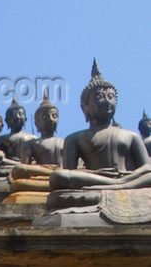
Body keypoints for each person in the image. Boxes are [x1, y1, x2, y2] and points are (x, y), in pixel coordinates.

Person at [50, 61, 151, 191]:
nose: (107, 101)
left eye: (111, 96)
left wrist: (123, 179)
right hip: (95, 178)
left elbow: (147, 168)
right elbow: (70, 173)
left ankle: (119, 184)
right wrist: (93, 174)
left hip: (126, 178)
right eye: (99, 96)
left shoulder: (132, 136)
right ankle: (116, 185)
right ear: (85, 107)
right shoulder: (74, 139)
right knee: (57, 176)